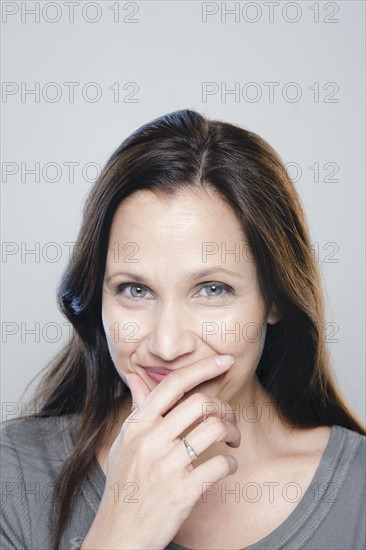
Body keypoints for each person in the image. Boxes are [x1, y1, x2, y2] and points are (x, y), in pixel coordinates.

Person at [1, 109, 365, 550]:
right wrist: (122, 528)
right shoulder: (15, 475)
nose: (167, 346)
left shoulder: (357, 495)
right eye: (134, 289)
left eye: (212, 289)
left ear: (273, 298)